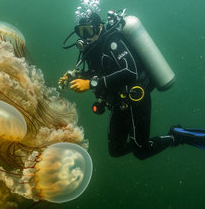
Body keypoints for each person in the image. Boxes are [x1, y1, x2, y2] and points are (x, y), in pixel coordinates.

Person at [59, 11, 205, 159]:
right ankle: (147, 143)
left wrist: (91, 84)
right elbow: (99, 71)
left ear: (99, 27)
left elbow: (130, 71)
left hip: (135, 99)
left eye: (88, 30)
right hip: (118, 103)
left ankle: (176, 136)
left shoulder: (112, 40)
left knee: (141, 151)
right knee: (116, 150)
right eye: (81, 31)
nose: (85, 36)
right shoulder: (92, 49)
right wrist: (74, 75)